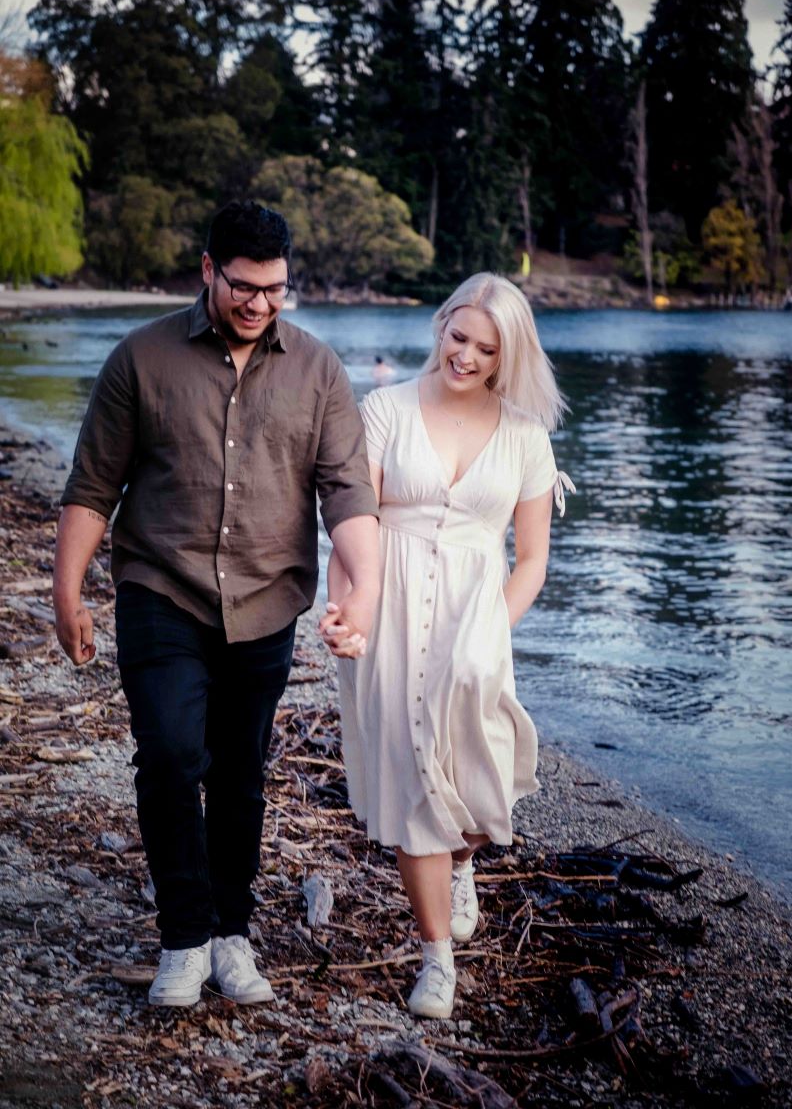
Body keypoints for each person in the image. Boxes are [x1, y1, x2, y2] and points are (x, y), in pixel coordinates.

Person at [52, 201, 379, 1008]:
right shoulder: (141, 358)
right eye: (243, 286)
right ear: (208, 271)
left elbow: (348, 493)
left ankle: (232, 934)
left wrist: (362, 591)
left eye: (276, 290)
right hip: (160, 589)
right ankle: (183, 938)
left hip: (268, 601)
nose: (259, 304)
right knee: (168, 754)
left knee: (239, 776)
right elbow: (94, 485)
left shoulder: (319, 371)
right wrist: (67, 590)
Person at [321, 273, 573, 1019]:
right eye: (457, 336)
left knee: (478, 761)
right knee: (411, 778)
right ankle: (437, 957)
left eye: (484, 348)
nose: (464, 355)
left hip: (477, 611)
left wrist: (491, 629)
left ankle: (463, 860)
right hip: (388, 603)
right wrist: (346, 607)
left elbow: (531, 559)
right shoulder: (385, 411)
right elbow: (351, 523)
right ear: (441, 326)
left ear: (507, 355)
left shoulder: (526, 434)